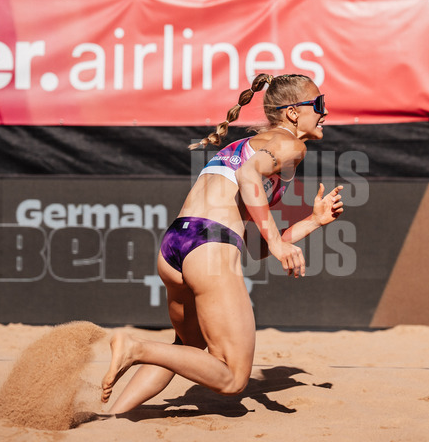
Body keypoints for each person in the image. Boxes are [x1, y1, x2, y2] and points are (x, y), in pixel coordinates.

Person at [99, 73, 345, 415]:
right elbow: (248, 176)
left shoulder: (246, 145)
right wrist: (278, 243)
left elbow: (255, 248)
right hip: (210, 245)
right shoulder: (290, 144)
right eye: (318, 104)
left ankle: (114, 415)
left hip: (177, 243)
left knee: (188, 345)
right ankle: (135, 347)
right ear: (292, 112)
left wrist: (313, 221)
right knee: (233, 379)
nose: (325, 112)